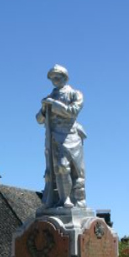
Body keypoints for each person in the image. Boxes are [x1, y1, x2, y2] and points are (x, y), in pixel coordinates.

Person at [36, 64, 87, 208]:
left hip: (71, 136)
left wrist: (53, 104)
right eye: (52, 79)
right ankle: (63, 200)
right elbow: (39, 120)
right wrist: (43, 109)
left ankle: (76, 200)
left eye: (57, 78)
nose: (55, 81)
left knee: (76, 171)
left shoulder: (75, 94)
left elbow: (72, 112)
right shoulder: (49, 97)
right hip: (54, 138)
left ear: (65, 78)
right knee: (59, 168)